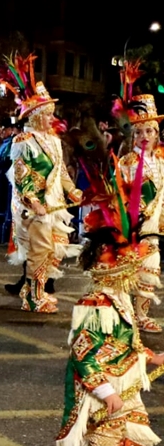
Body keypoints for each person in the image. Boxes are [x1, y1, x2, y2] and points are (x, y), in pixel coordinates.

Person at [56, 161, 164, 446]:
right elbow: (84, 353)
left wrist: (151, 356)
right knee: (103, 442)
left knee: (125, 437)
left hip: (122, 383)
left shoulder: (118, 301)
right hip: (102, 388)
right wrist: (105, 391)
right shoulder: (95, 304)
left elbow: (126, 341)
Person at [0, 53, 83, 313]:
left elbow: (61, 173)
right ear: (34, 117)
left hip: (54, 206)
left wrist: (73, 190)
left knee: (54, 250)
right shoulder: (23, 141)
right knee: (39, 250)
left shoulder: (54, 141)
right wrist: (33, 201)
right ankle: (34, 296)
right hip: (34, 206)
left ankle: (37, 289)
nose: (50, 119)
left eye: (51, 114)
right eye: (46, 115)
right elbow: (21, 176)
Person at [114, 62, 164, 333]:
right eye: (140, 132)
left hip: (152, 229)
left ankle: (142, 314)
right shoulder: (126, 162)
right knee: (126, 271)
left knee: (150, 269)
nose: (145, 136)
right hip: (129, 228)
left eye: (150, 131)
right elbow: (117, 193)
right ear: (133, 134)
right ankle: (124, 312)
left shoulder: (162, 161)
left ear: (157, 134)